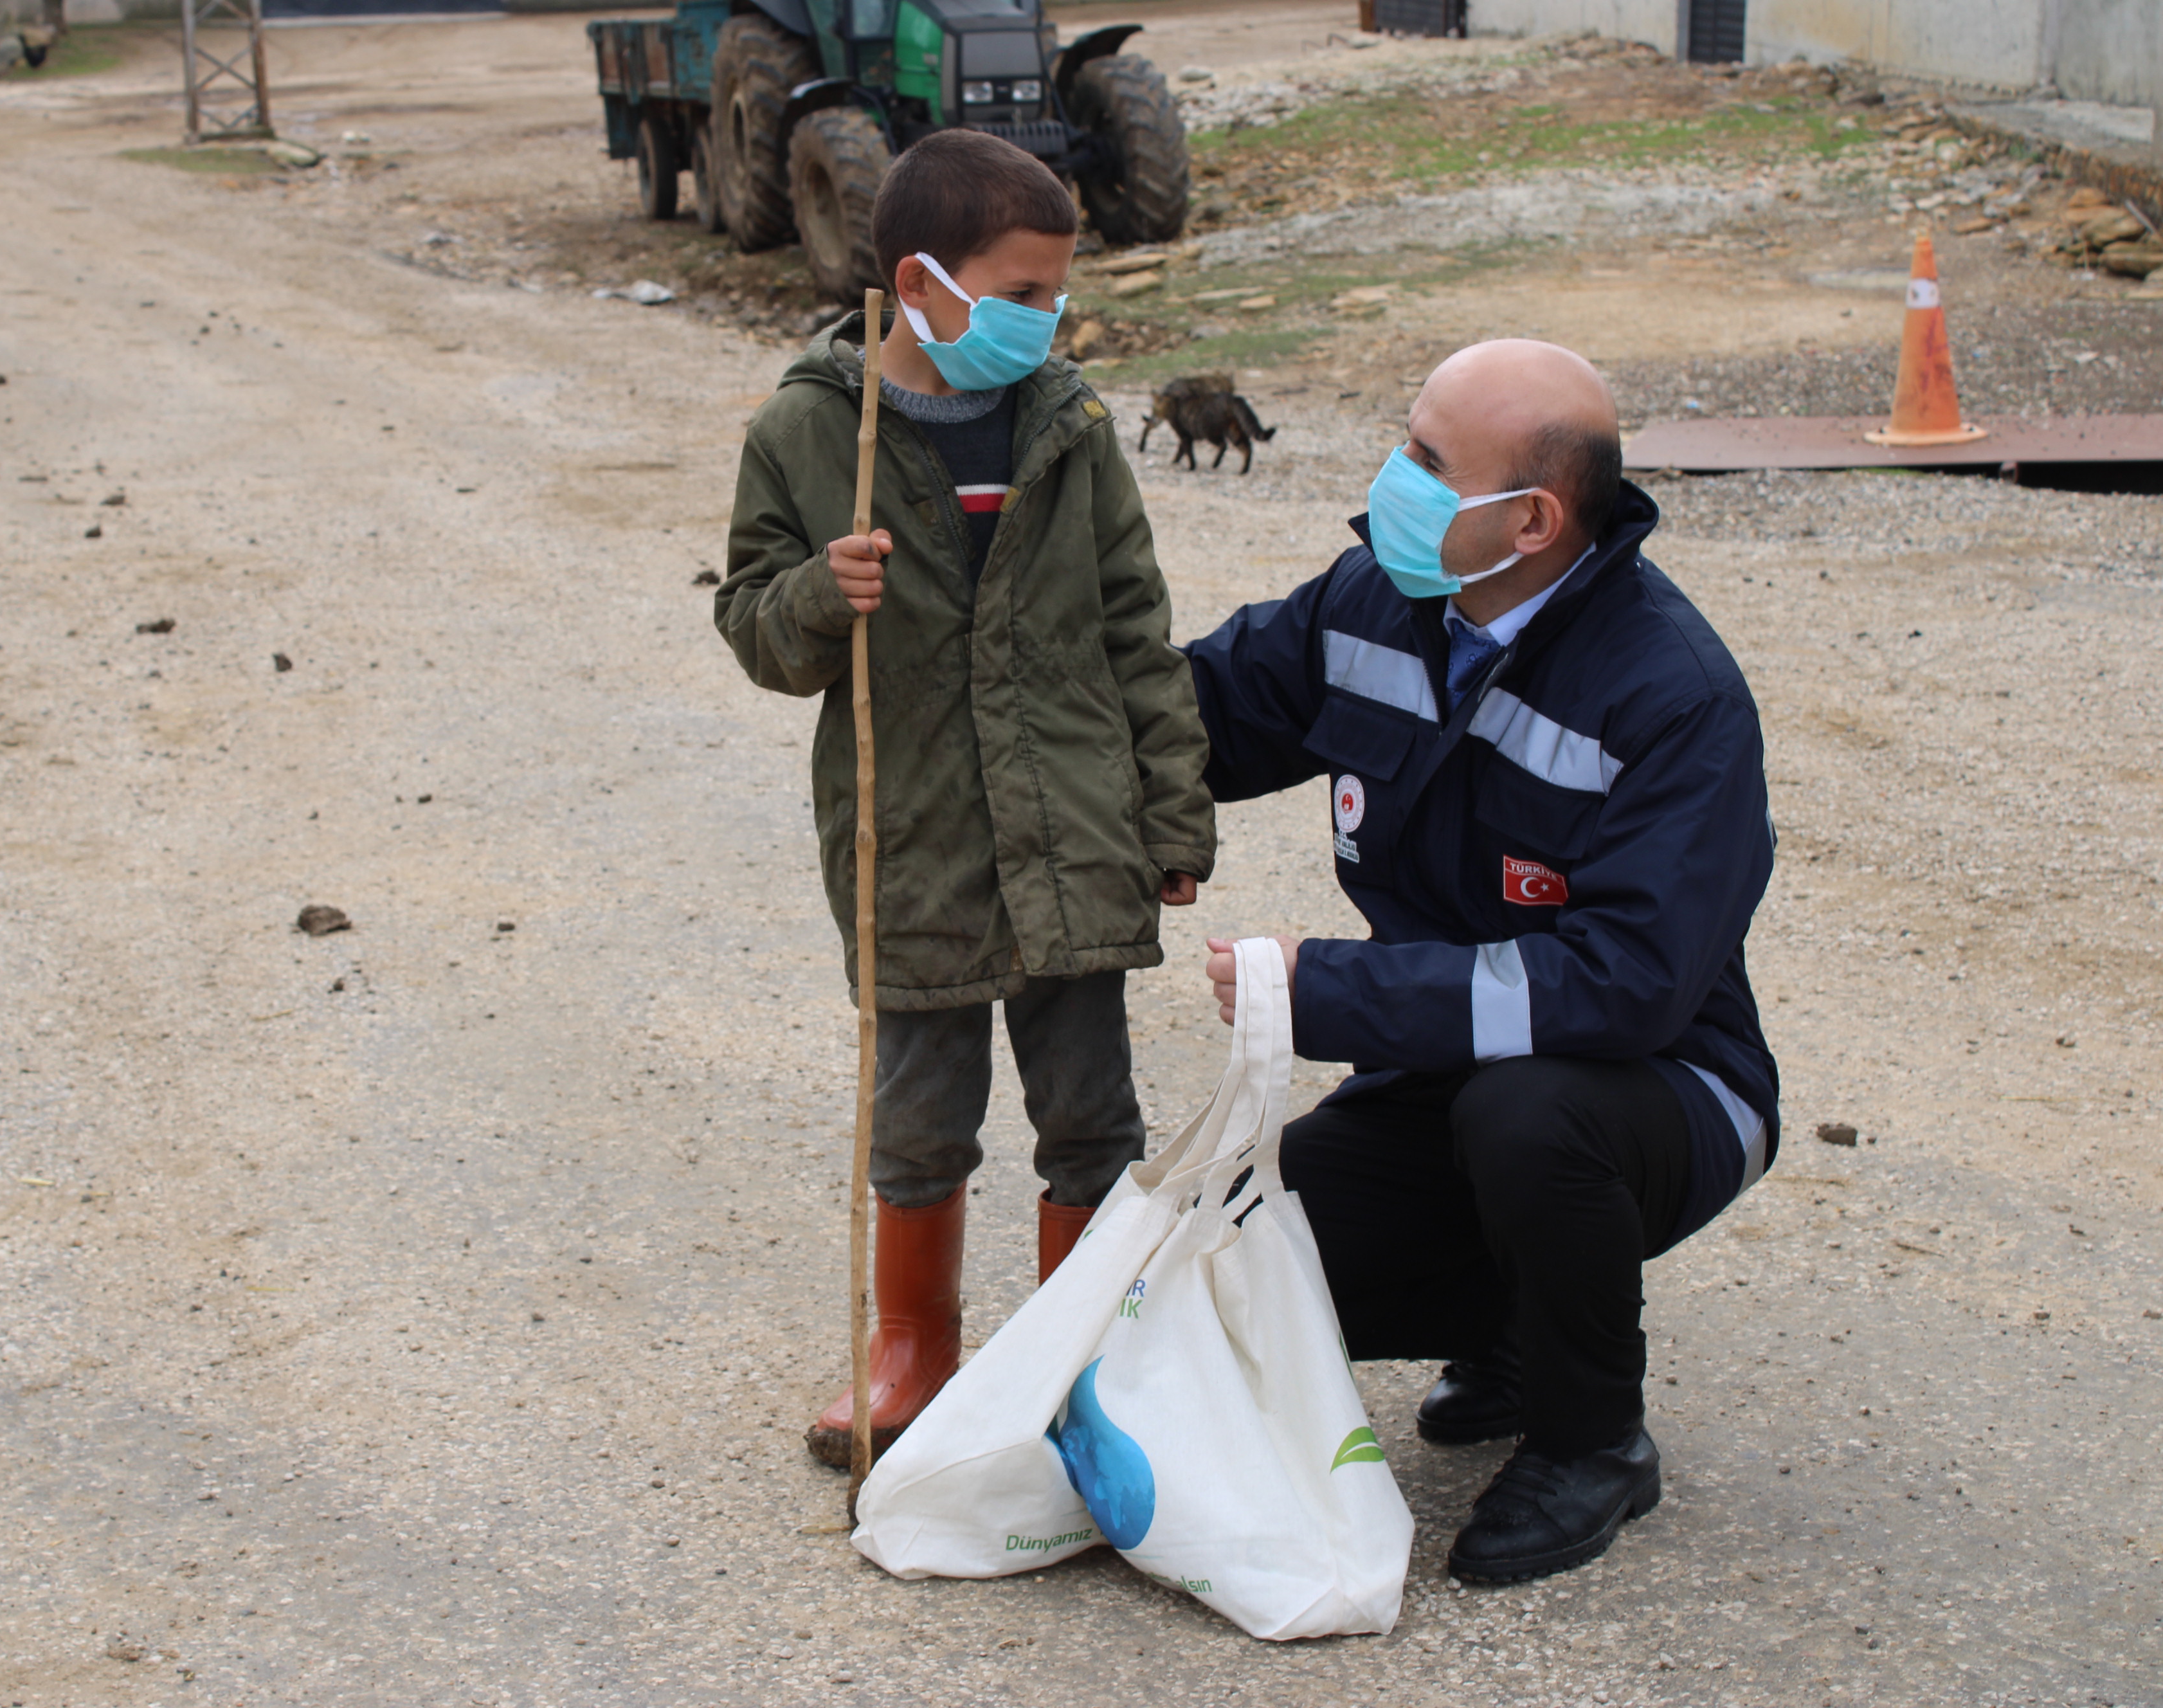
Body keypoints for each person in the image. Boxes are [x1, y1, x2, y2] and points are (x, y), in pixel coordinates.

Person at [1185, 339, 1778, 1582]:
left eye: (1424, 460)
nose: (1390, 478)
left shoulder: (1673, 697)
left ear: (1533, 517)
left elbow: (1623, 985)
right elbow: (1204, 713)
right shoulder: (1380, 599)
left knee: (1531, 1117)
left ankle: (1593, 1441)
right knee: (1260, 1234)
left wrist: (1326, 990)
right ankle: (1515, 1328)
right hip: (1449, 1073)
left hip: (1656, 1089)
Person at [715, 130, 1215, 1469]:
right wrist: (823, 595)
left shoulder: (1073, 426)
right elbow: (757, 626)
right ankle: (914, 1347)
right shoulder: (811, 432)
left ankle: (1078, 1357)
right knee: (921, 1110)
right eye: (1025, 292)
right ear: (918, 281)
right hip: (916, 836)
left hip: (1072, 835)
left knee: (1092, 1111)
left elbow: (1137, 633)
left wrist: (1172, 812)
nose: (1052, 321)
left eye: (1060, 292)